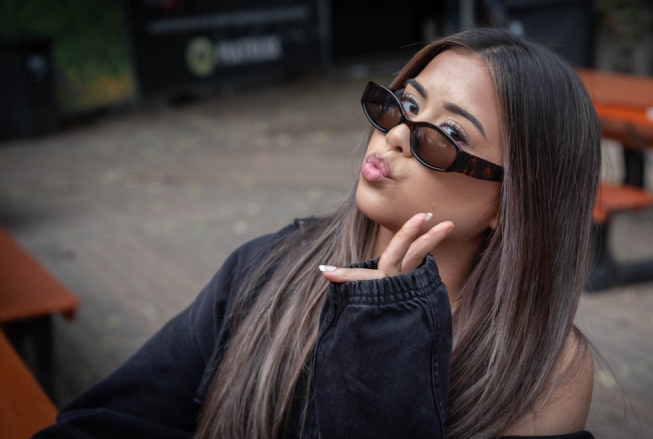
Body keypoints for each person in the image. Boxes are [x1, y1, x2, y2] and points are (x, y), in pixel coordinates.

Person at [34, 28, 600, 439]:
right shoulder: (267, 267)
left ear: (512, 201)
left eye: (447, 133)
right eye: (405, 104)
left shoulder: (546, 369)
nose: (397, 135)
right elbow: (104, 422)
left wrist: (387, 334)